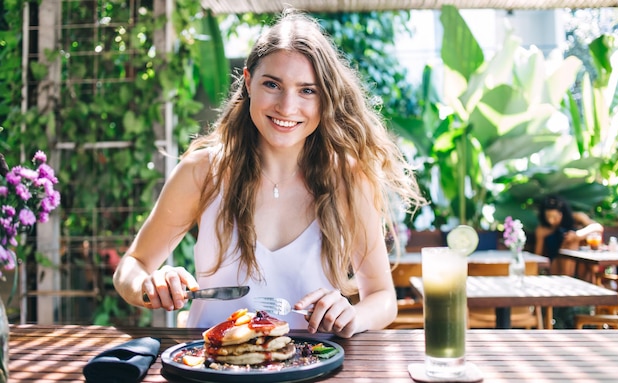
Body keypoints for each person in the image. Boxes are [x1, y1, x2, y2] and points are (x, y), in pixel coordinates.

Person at [113, 10, 423, 338]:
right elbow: (130, 268)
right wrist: (150, 286)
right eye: (272, 84)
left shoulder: (348, 180)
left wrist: (354, 316)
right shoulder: (202, 172)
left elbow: (382, 297)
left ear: (325, 99)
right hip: (212, 369)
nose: (287, 107)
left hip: (310, 369)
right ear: (248, 82)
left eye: (308, 90)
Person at [534, 194, 603, 276]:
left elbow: (597, 227)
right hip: (556, 264)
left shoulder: (576, 218)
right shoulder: (542, 230)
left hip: (579, 263)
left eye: (555, 217)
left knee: (575, 242)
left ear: (562, 213)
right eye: (548, 217)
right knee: (569, 244)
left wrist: (577, 235)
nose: (551, 221)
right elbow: (537, 256)